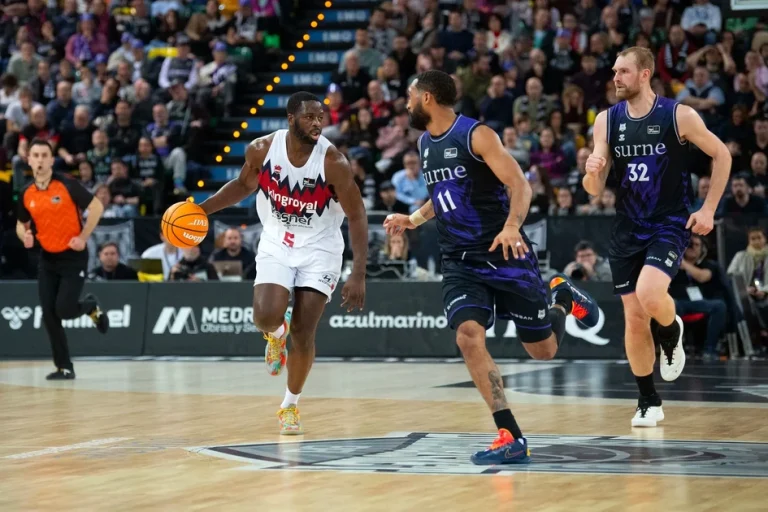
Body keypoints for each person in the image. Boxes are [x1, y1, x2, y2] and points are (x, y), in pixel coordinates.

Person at [384, 70, 600, 465]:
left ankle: (563, 299)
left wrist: (512, 226)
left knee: (543, 351)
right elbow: (442, 194)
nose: (406, 102)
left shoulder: (476, 135)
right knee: (468, 337)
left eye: (410, 95)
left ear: (428, 97)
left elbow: (520, 184)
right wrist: (412, 220)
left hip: (504, 252)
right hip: (460, 260)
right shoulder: (424, 143)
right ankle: (510, 435)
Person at [199, 92, 368, 435]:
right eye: (309, 117)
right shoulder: (262, 149)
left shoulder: (333, 162)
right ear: (291, 119)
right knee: (264, 316)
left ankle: (289, 405)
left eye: (320, 117)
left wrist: (358, 273)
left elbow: (357, 215)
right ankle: (276, 333)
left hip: (320, 248)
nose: (317, 123)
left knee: (304, 333)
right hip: (278, 239)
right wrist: (201, 210)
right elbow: (243, 185)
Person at [584, 47, 731, 427]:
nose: (616, 78)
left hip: (668, 222)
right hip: (627, 226)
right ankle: (648, 400)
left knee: (650, 294)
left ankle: (670, 327)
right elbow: (594, 190)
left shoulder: (678, 115)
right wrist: (592, 171)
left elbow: (722, 155)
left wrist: (708, 209)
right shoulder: (607, 120)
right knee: (634, 318)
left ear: (645, 74)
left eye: (623, 71)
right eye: (614, 71)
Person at [15, 139, 109, 380]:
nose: (40, 160)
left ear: (51, 160)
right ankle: (64, 367)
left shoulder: (67, 184)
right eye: (35, 155)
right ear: (29, 160)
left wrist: (83, 236)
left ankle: (90, 306)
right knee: (49, 315)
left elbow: (97, 207)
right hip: (48, 259)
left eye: (44, 155)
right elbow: (21, 224)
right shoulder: (26, 192)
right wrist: (25, 236)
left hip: (73, 257)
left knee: (65, 310)